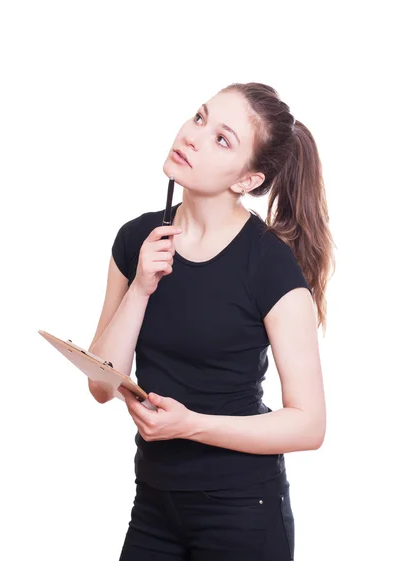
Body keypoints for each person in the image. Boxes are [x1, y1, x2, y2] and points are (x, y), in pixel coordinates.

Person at [87, 82, 335, 561]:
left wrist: (190, 425)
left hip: (242, 512)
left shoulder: (269, 265)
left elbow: (310, 425)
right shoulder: (137, 238)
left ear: (246, 180)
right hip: (154, 506)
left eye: (223, 139)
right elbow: (101, 385)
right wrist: (140, 286)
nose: (192, 136)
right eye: (199, 118)